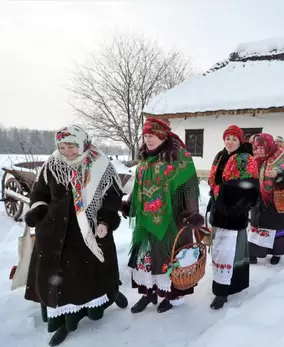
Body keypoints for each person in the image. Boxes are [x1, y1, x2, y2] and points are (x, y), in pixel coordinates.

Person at [24, 125, 127, 346]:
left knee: (86, 276)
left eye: (72, 145)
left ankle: (97, 303)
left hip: (88, 232)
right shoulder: (52, 164)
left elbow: (113, 196)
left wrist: (105, 220)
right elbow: (39, 192)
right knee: (56, 277)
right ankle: (61, 321)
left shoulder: (100, 164)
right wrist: (38, 210)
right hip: (53, 232)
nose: (67, 151)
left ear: (82, 143)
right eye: (62, 146)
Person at [121, 117, 205, 314]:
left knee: (169, 258)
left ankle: (172, 295)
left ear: (162, 135)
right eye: (146, 136)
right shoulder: (145, 159)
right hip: (146, 220)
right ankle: (148, 292)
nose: (148, 140)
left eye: (153, 136)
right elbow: (139, 184)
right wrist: (131, 204)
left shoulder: (179, 157)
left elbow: (189, 187)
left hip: (173, 219)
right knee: (147, 258)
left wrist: (191, 213)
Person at [207, 125, 259, 309]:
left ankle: (223, 291)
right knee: (218, 250)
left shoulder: (247, 159)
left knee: (228, 251)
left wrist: (233, 204)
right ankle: (220, 283)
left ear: (240, 141)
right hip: (218, 209)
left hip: (234, 211)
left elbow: (250, 187)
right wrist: (215, 194)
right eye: (227, 138)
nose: (229, 142)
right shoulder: (220, 156)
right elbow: (214, 180)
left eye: (234, 139)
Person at [248, 134, 284, 265]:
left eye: (261, 148)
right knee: (257, 226)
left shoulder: (281, 157)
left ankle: (277, 253)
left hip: (276, 199)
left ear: (268, 145)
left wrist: (278, 173)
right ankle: (253, 252)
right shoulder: (256, 160)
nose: (258, 151)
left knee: (275, 227)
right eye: (256, 148)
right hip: (259, 199)